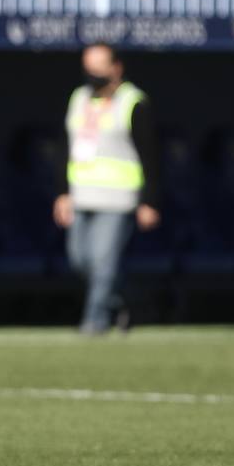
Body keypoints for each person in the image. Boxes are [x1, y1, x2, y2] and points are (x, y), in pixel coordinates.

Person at [53, 43, 161, 334]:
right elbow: (66, 147)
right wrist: (62, 192)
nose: (93, 73)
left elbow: (150, 155)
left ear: (116, 68)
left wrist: (149, 201)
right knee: (80, 260)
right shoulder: (80, 98)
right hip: (81, 194)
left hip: (119, 197)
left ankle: (94, 322)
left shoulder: (133, 101)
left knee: (103, 261)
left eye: (99, 66)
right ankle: (126, 300)